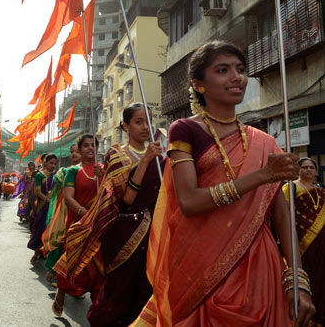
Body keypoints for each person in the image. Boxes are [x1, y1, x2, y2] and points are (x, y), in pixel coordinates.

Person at [132, 41, 315, 326]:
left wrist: (297, 279)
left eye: (240, 70)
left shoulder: (263, 141)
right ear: (199, 84)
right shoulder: (185, 129)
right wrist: (261, 176)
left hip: (259, 267)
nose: (236, 77)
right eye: (222, 70)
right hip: (200, 267)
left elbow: (281, 214)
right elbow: (189, 202)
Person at [65, 103, 164, 327]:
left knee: (145, 288)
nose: (145, 128)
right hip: (124, 231)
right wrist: (146, 160)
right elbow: (128, 198)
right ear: (125, 126)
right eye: (138, 122)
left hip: (153, 230)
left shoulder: (159, 155)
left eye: (147, 122)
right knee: (120, 288)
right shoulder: (116, 154)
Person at [52, 135, 104, 317]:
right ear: (80, 150)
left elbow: (114, 194)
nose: (90, 148)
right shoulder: (74, 171)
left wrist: (103, 177)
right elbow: (68, 198)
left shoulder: (103, 170)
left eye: (93, 146)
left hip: (99, 226)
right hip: (78, 226)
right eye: (86, 146)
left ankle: (97, 308)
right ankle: (62, 290)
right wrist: (85, 214)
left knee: (98, 266)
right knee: (74, 263)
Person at [283, 157, 325, 326]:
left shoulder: (321, 191)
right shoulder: (290, 187)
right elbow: (283, 215)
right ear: (298, 170)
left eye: (311, 167)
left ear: (316, 171)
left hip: (321, 245)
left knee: (321, 278)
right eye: (304, 167)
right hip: (300, 244)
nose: (308, 170)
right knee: (304, 276)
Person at [43, 145, 81, 285]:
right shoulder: (64, 172)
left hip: (83, 211)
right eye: (72, 152)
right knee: (61, 240)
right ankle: (55, 273)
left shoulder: (92, 171)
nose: (74, 154)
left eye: (77, 151)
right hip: (65, 210)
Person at [28, 153, 58, 265]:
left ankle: (44, 251)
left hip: (53, 207)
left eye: (55, 163)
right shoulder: (39, 175)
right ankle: (36, 253)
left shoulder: (57, 176)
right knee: (39, 229)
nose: (53, 166)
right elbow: (38, 192)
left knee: (49, 230)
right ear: (45, 163)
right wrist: (47, 200)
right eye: (51, 163)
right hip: (42, 206)